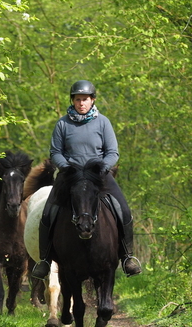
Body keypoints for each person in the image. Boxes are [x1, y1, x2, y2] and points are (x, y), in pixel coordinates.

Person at [31, 79, 142, 280]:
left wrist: (102, 169)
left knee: (123, 209)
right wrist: (66, 168)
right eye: (78, 99)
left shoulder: (103, 122)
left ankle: (127, 257)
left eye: (85, 99)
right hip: (70, 176)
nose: (81, 103)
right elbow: (55, 152)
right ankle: (45, 260)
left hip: (98, 176)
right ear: (73, 101)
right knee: (48, 212)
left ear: (93, 100)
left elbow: (112, 153)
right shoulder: (63, 123)